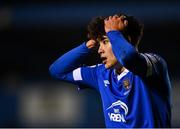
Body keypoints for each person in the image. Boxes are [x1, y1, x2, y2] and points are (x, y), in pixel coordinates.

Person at [49, 13, 172, 128]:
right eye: (99, 43)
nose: (99, 50)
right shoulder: (100, 74)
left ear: (126, 40)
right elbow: (57, 71)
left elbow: (128, 58)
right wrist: (87, 46)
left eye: (105, 41)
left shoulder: (153, 65)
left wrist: (113, 33)